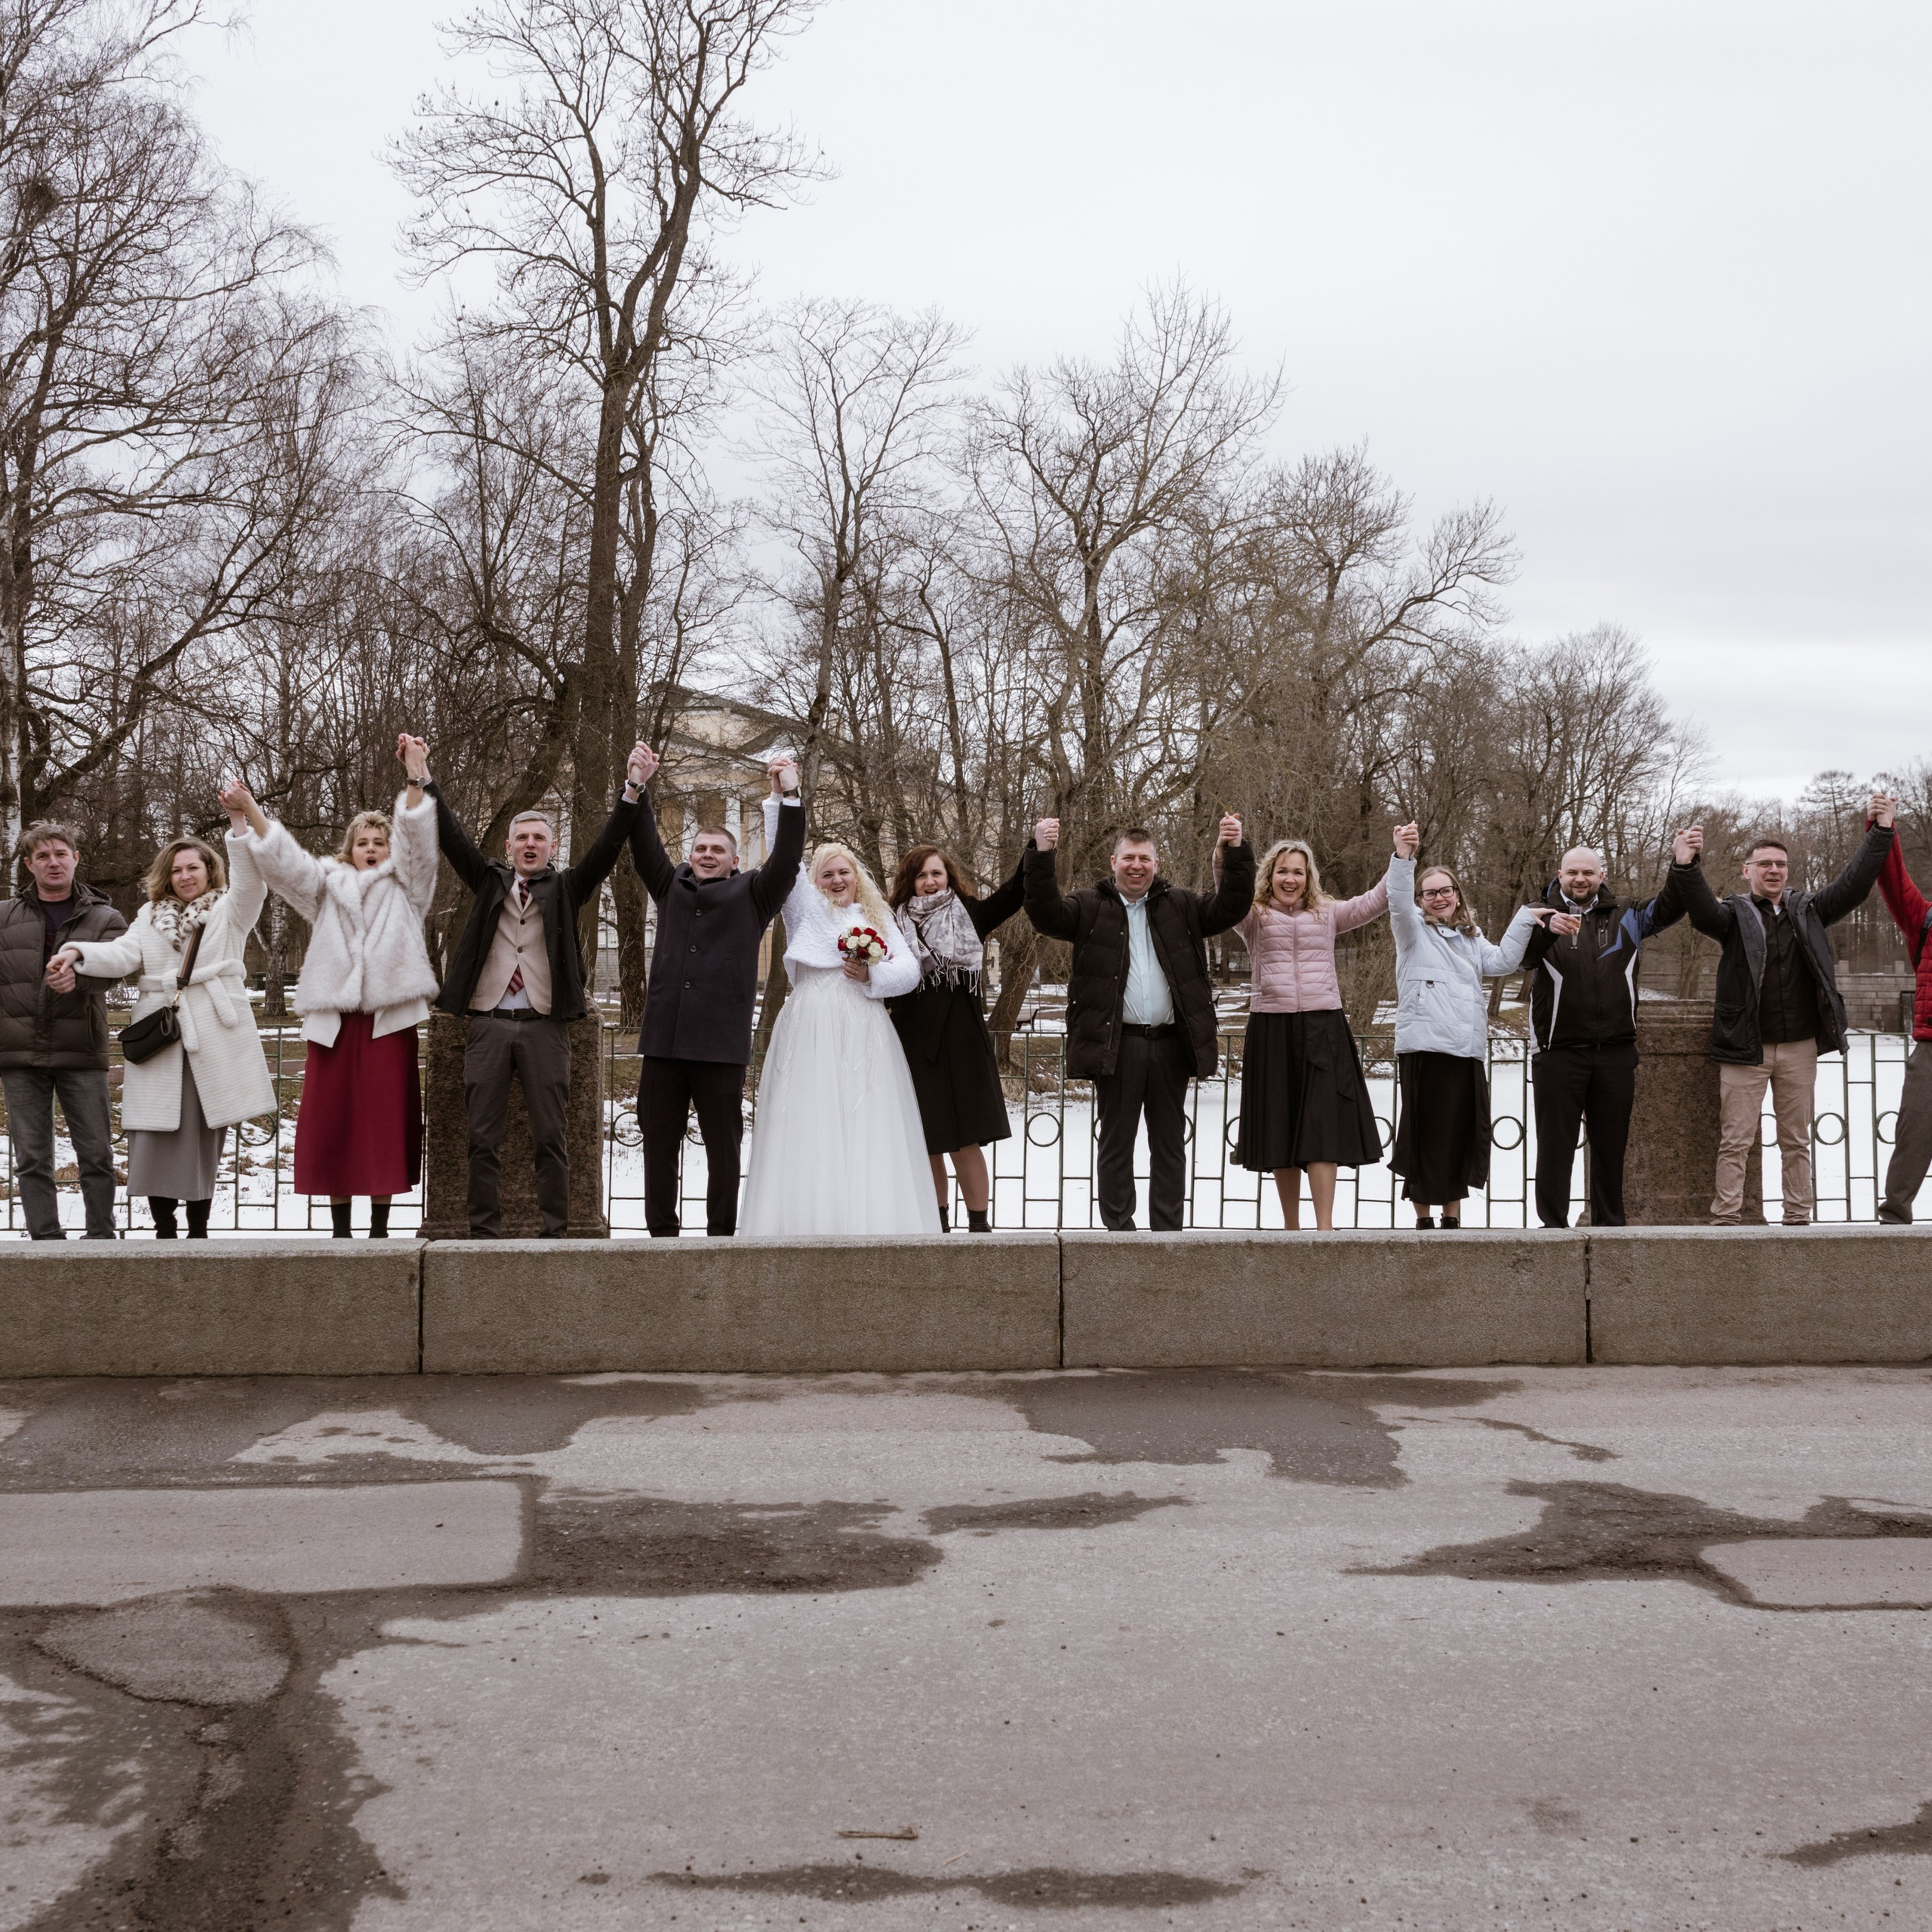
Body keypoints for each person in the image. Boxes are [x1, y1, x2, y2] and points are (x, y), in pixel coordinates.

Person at [408, 735, 645, 1238]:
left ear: (552, 847)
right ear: (510, 847)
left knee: (552, 1136)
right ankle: (483, 1232)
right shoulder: (489, 880)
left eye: (540, 838)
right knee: (480, 1137)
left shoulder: (567, 887)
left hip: (545, 1026)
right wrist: (423, 776)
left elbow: (606, 849)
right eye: (523, 839)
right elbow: (450, 835)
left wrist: (632, 790)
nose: (531, 845)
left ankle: (556, 1232)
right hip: (488, 1024)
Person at [223, 743, 440, 1237]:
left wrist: (415, 776)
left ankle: (380, 1228)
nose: (371, 849)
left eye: (379, 843)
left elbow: (421, 846)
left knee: (383, 1124)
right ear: (350, 848)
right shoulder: (326, 887)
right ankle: (341, 1229)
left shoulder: (408, 888)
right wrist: (250, 809)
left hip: (388, 1024)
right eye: (362, 842)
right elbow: (284, 865)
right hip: (335, 1027)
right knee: (334, 1125)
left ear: (391, 851)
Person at [49, 791, 275, 1237]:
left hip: (213, 1032)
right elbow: (120, 954)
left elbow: (253, 882)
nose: (185, 876)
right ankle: (163, 1227)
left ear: (210, 870)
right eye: (176, 869)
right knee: (153, 1132)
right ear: (165, 877)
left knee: (204, 1134)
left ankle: (198, 1228)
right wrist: (75, 953)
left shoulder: (231, 910)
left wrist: (238, 820)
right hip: (162, 1031)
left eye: (193, 867)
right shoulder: (149, 916)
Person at [1669, 802, 1895, 1226]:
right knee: (1735, 1140)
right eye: (1764, 864)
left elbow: (1854, 884)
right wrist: (1686, 864)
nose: (1774, 870)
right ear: (1746, 870)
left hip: (1799, 1049)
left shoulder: (1808, 911)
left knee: (1796, 1140)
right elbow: (1699, 909)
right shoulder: (1733, 916)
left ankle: (1797, 1217)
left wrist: (1880, 832)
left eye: (1781, 864)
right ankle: (1727, 1216)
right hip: (1745, 1049)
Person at [1025, 817, 1254, 1232]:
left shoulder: (1182, 905)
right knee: (1116, 1144)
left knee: (1169, 1145)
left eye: (1144, 859)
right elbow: (1044, 914)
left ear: (1156, 863)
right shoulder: (1088, 906)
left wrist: (1235, 852)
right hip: (1119, 1043)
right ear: (1114, 862)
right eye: (1128, 858)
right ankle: (1119, 1233)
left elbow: (1231, 907)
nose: (1136, 866)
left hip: (1170, 1044)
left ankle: (1167, 1234)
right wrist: (1041, 854)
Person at [737, 804, 937, 1237]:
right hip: (812, 1025)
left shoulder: (877, 917)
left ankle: (871, 1222)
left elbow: (909, 970)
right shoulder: (804, 907)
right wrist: (782, 798)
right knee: (813, 1114)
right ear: (815, 882)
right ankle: (810, 1220)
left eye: (843, 872)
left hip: (865, 1025)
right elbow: (785, 854)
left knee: (867, 1116)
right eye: (827, 874)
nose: (837, 881)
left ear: (856, 876)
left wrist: (872, 975)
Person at [628, 747, 804, 1237]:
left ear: (734, 860)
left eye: (717, 850)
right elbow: (642, 845)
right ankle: (661, 1236)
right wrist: (637, 786)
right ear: (691, 855)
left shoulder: (753, 894)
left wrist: (790, 795)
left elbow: (788, 859)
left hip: (719, 1049)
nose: (707, 854)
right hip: (663, 1045)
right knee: (658, 1145)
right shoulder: (669, 887)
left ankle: (721, 1237)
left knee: (723, 1150)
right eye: (700, 848)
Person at [1513, 843, 1687, 1229]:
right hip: (1557, 1052)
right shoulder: (1536, 913)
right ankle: (1553, 1228)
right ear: (1560, 875)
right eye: (1572, 872)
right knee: (1556, 1148)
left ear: (1601, 877)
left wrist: (1683, 864)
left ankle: (1611, 1228)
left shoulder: (1628, 913)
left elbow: (1672, 906)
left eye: (1588, 873)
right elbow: (1518, 960)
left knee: (1611, 1150)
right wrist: (1544, 932)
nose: (1580, 879)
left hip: (1615, 1052)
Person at [1224, 833, 1389, 1230]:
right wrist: (1227, 848)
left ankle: (1325, 1230)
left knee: (1321, 1128)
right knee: (1280, 1127)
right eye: (1283, 870)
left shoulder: (1328, 912)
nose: (1290, 878)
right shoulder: (1253, 916)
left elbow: (1375, 900)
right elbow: (1225, 892)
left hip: (1323, 1027)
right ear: (1270, 874)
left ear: (1309, 876)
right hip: (1272, 1028)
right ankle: (1291, 1229)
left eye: (1298, 871)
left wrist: (1400, 858)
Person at [1386, 827, 1543, 1229]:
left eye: (1446, 890)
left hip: (1465, 1051)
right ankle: (1423, 1218)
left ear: (1457, 894)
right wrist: (1404, 859)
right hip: (1425, 1049)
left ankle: (1452, 1216)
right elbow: (1398, 905)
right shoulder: (1413, 933)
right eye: (1430, 892)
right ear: (1421, 900)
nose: (1439, 898)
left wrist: (1525, 917)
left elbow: (1506, 961)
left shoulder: (1471, 939)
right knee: (1423, 1133)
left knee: (1459, 1133)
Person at [887, 841, 1026, 1231]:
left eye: (936, 873)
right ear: (910, 882)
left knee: (967, 1141)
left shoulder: (969, 913)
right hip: (914, 1041)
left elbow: (1015, 893)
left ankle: (979, 1228)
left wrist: (1037, 850)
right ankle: (938, 1227)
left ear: (948, 877)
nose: (930, 882)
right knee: (927, 1141)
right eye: (921, 875)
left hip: (963, 1041)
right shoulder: (893, 924)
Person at [0, 823, 127, 1238]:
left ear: (76, 858)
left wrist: (82, 978)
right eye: (42, 856)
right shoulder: (3, 917)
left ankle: (101, 1238)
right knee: (32, 1158)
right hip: (19, 1054)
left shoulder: (106, 917)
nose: (52, 862)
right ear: (28, 865)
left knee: (96, 1153)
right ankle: (46, 1241)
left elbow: (120, 966)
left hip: (82, 1051)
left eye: (60, 854)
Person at [1871, 796, 1932, 1225]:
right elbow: (1894, 883)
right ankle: (1894, 1225)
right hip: (1931, 1051)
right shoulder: (1926, 919)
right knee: (1913, 1137)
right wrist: (1884, 830)